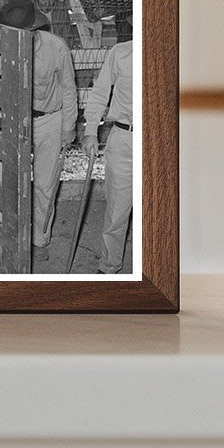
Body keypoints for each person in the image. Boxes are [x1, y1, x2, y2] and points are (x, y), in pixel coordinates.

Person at [0, 0, 78, 262]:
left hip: (49, 121)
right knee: (6, 178)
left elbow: (68, 87)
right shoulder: (2, 46)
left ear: (34, 29)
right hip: (14, 120)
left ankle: (39, 237)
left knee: (44, 183)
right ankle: (6, 232)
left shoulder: (56, 48)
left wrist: (69, 126)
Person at [82, 39, 133, 275]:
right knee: (117, 211)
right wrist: (91, 131)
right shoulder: (121, 53)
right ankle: (109, 268)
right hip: (124, 139)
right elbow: (100, 92)